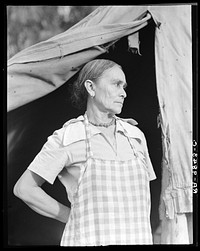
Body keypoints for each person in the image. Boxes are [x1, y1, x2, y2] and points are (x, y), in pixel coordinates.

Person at [14, 59, 156, 246]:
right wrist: (72, 217)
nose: (123, 93)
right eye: (116, 84)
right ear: (90, 87)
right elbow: (24, 189)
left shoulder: (135, 136)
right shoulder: (68, 137)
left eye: (124, 87)